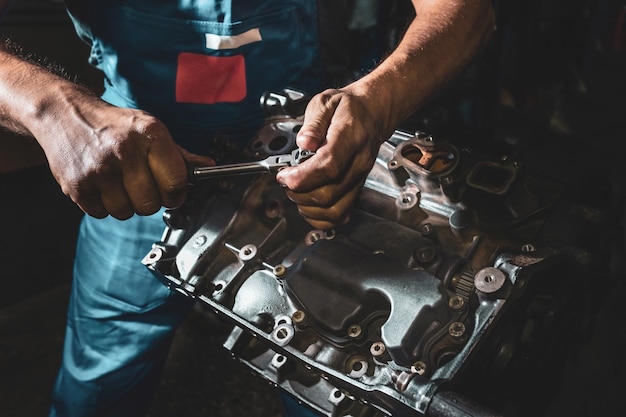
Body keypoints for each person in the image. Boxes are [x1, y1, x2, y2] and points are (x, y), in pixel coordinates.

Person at [0, 0, 495, 416]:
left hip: (304, 162)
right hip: (133, 173)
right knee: (101, 374)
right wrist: (49, 106)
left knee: (335, 374)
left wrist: (377, 100)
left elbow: (465, 10)